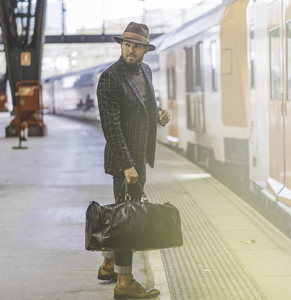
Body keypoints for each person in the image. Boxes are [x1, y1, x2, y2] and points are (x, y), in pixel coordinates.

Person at [96, 22, 170, 299]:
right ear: (121, 45)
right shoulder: (110, 78)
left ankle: (108, 264)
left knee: (122, 212)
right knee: (127, 220)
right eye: (127, 44)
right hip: (124, 160)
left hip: (140, 156)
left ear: (145, 50)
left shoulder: (145, 71)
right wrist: (127, 165)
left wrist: (159, 115)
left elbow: (145, 107)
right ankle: (124, 283)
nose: (130, 49)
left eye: (137, 45)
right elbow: (111, 127)